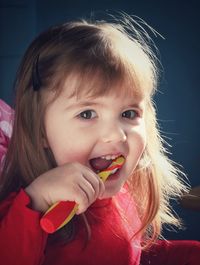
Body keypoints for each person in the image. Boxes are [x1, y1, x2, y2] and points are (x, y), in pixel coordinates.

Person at [0, 15, 198, 265]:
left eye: (128, 114)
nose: (116, 134)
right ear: (40, 131)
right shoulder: (24, 210)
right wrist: (36, 201)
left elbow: (127, 256)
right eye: (87, 114)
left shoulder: (121, 198)